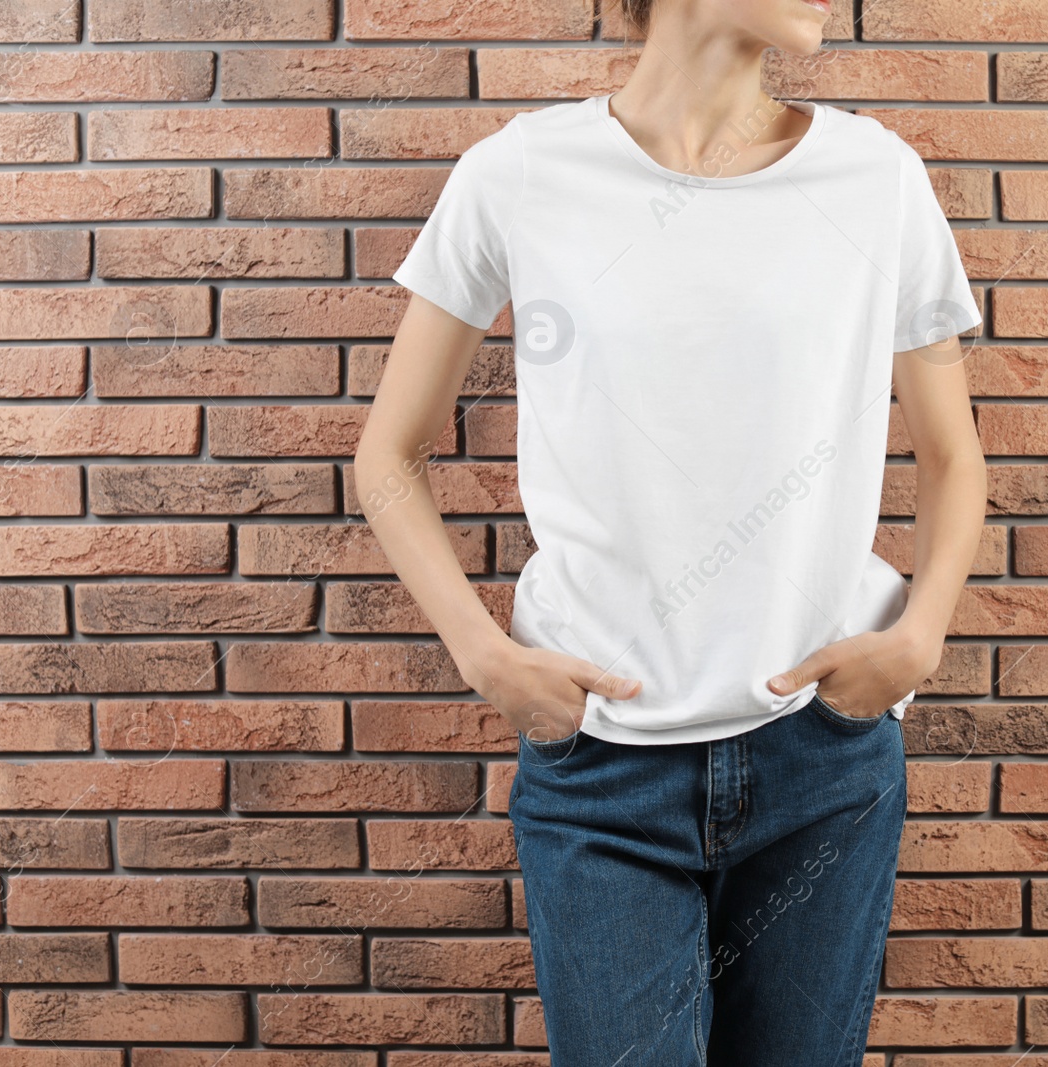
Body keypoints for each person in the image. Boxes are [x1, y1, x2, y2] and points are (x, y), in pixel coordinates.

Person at [354, 0, 987, 1061]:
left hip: (820, 757)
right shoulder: (521, 172)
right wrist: (486, 656)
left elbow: (951, 452)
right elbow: (389, 453)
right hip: (601, 766)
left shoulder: (875, 178)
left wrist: (918, 634)